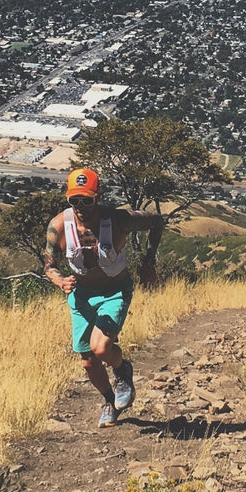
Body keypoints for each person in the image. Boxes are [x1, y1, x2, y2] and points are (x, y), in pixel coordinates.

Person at [44, 167, 165, 428]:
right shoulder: (58, 227)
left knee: (101, 348)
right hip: (81, 297)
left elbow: (156, 221)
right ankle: (110, 400)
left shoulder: (120, 220)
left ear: (98, 197)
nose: (80, 206)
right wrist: (59, 279)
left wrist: (148, 262)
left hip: (115, 290)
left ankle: (122, 370)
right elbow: (49, 264)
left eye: (86, 200)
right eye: (74, 200)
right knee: (88, 361)